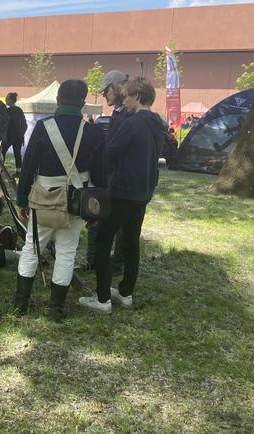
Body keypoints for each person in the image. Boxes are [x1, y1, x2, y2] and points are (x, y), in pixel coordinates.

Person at [14, 79, 106, 322]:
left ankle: (20, 304)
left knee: (32, 248)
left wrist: (22, 198)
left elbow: (27, 167)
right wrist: (95, 210)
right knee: (67, 253)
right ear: (83, 102)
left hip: (43, 198)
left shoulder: (43, 127)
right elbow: (100, 176)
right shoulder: (94, 132)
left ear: (58, 100)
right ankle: (56, 309)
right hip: (76, 202)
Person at [79, 77, 166, 314]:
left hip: (124, 190)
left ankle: (103, 297)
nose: (124, 101)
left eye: (127, 97)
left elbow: (111, 152)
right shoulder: (158, 123)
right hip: (143, 191)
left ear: (137, 96)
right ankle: (126, 292)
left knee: (104, 239)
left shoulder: (132, 123)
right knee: (130, 241)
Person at [80, 70, 129, 273]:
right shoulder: (119, 112)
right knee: (97, 215)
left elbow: (117, 148)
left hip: (120, 177)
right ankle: (95, 259)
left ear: (116, 87)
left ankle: (113, 263)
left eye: (105, 91)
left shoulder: (129, 114)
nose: (103, 95)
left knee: (113, 222)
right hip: (111, 174)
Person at [2, 92, 27, 177]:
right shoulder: (19, 110)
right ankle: (19, 171)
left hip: (9, 137)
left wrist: (4, 135)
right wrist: (22, 134)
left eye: (7, 98)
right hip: (18, 137)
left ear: (11, 100)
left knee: (2, 151)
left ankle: (0, 169)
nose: (6, 99)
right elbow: (25, 124)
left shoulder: (7, 111)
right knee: (17, 153)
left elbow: (5, 124)